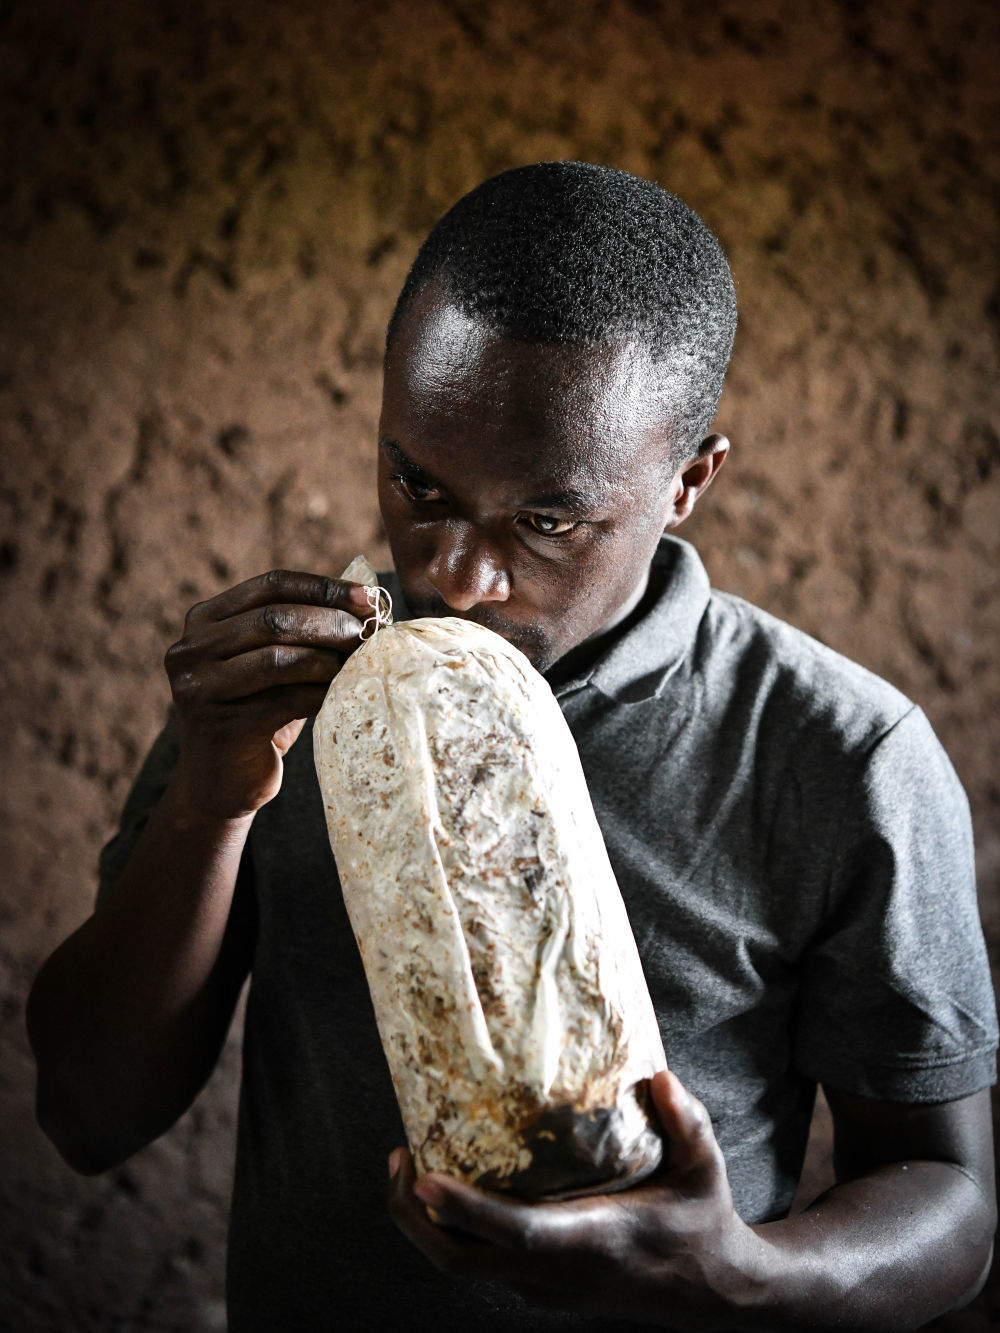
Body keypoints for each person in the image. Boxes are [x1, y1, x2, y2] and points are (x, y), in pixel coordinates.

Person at [27, 162, 997, 1331]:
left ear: (689, 480)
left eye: (546, 520)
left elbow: (951, 1200)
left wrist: (732, 1272)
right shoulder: (279, 691)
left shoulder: (840, 755)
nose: (452, 576)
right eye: (416, 483)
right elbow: (88, 1114)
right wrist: (209, 801)